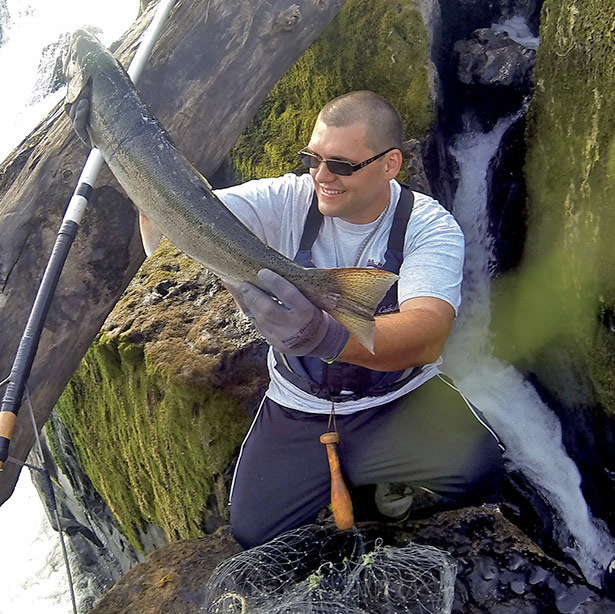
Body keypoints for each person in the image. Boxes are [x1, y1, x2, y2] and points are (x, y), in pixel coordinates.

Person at [214, 91, 505, 549]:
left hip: (398, 399)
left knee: (481, 471)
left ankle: (383, 480)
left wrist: (324, 336)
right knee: (254, 531)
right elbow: (189, 218)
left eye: (342, 166)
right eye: (312, 158)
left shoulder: (428, 225)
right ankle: (367, 481)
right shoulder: (287, 200)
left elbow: (427, 335)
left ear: (390, 165)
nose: (321, 176)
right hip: (300, 404)